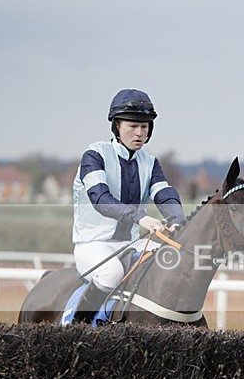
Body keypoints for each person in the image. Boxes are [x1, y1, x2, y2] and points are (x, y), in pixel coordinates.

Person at [71, 88, 185, 323]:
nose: (139, 133)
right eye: (133, 126)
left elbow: (164, 194)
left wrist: (177, 220)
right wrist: (140, 217)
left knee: (170, 261)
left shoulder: (150, 162)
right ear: (117, 126)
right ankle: (77, 329)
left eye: (144, 127)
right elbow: (100, 199)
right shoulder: (94, 155)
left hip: (131, 243)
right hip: (93, 244)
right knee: (111, 274)